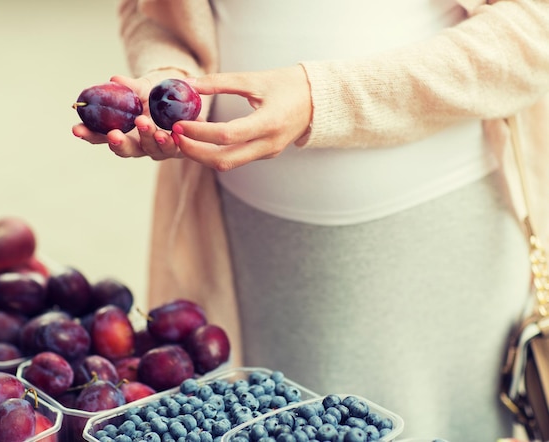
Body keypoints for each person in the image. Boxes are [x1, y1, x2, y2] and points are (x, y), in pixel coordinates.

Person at [72, 0, 549, 439]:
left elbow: (535, 30)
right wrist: (168, 77)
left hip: (431, 243)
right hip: (243, 241)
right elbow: (152, 13)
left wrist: (320, 96)